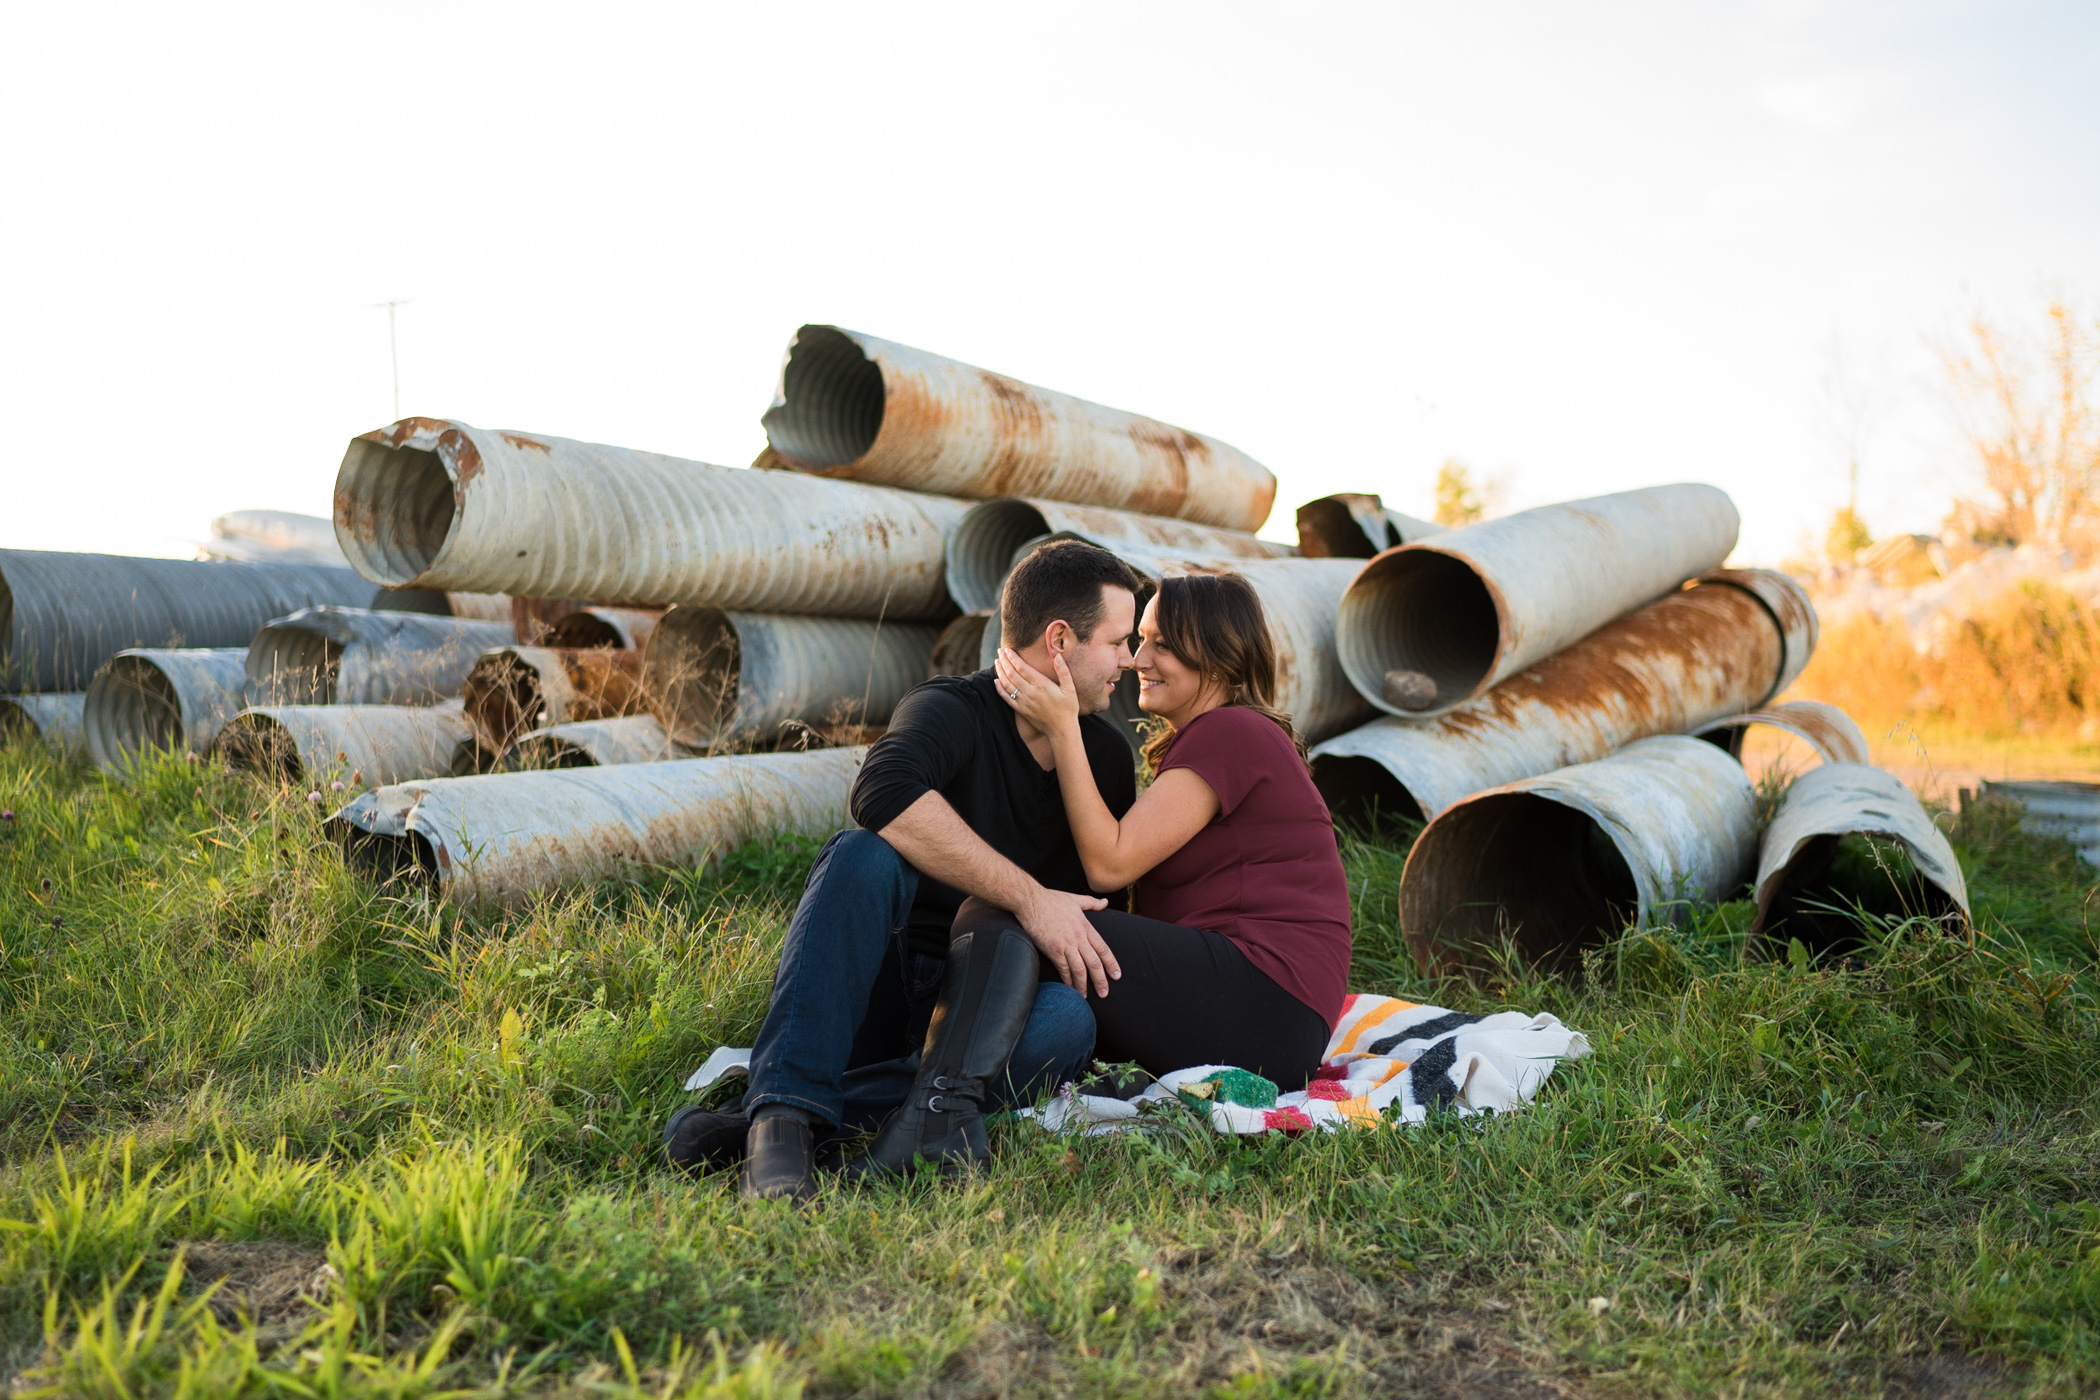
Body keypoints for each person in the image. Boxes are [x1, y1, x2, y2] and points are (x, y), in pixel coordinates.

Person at [662, 540, 1144, 1201]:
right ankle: (778, 1129)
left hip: (986, 1012)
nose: (1131, 658)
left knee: (1067, 1025)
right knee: (860, 853)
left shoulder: (1107, 759)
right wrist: (1030, 898)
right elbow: (880, 794)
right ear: (1060, 640)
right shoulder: (950, 708)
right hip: (878, 988)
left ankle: (784, 1115)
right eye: (1119, 640)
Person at [988, 569, 1352, 1091]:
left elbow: (1109, 864)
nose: (1138, 659)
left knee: (1012, 910)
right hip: (1272, 1019)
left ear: (1217, 654)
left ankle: (939, 1092)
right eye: (1139, 640)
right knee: (1047, 958)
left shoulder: (1232, 731)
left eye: (1162, 644)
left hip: (1265, 1002)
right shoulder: (1222, 736)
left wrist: (1062, 726)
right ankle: (941, 1080)